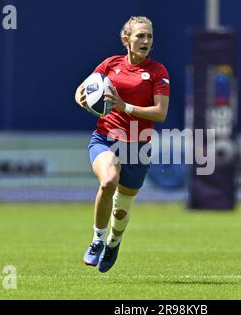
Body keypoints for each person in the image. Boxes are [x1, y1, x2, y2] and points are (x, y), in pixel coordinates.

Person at [74, 16, 170, 273]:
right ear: (126, 39)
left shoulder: (158, 71)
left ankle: (113, 243)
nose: (146, 41)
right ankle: (97, 240)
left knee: (122, 209)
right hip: (106, 138)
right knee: (108, 182)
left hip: (138, 146)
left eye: (149, 36)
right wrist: (81, 98)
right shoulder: (110, 64)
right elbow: (83, 88)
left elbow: (161, 113)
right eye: (140, 36)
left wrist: (124, 106)